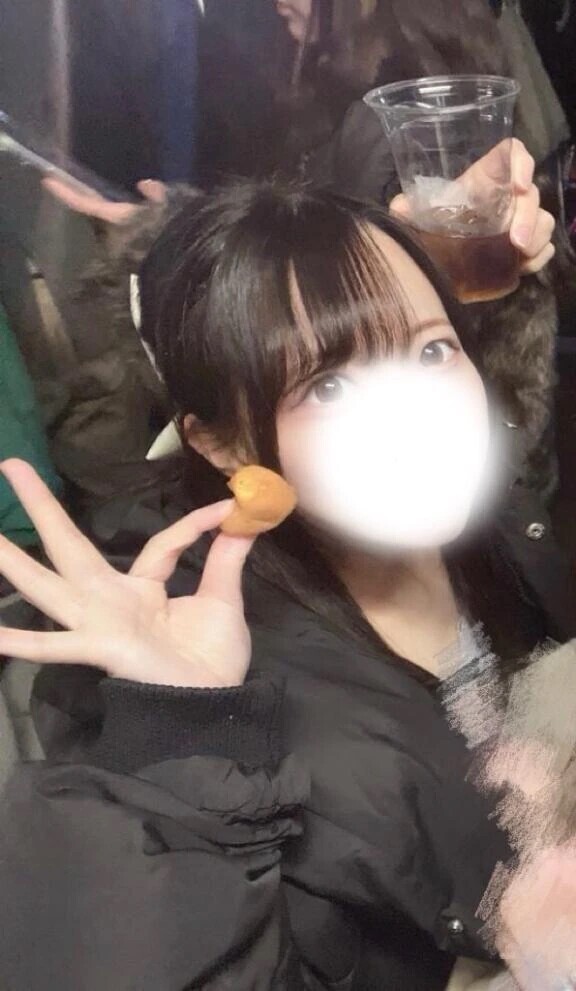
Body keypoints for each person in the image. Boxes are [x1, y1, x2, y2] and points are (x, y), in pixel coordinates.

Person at [0, 180, 573, 991]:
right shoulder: (219, 690)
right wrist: (183, 751)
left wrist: (508, 292)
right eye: (329, 387)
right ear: (225, 446)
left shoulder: (482, 524)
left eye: (432, 351)